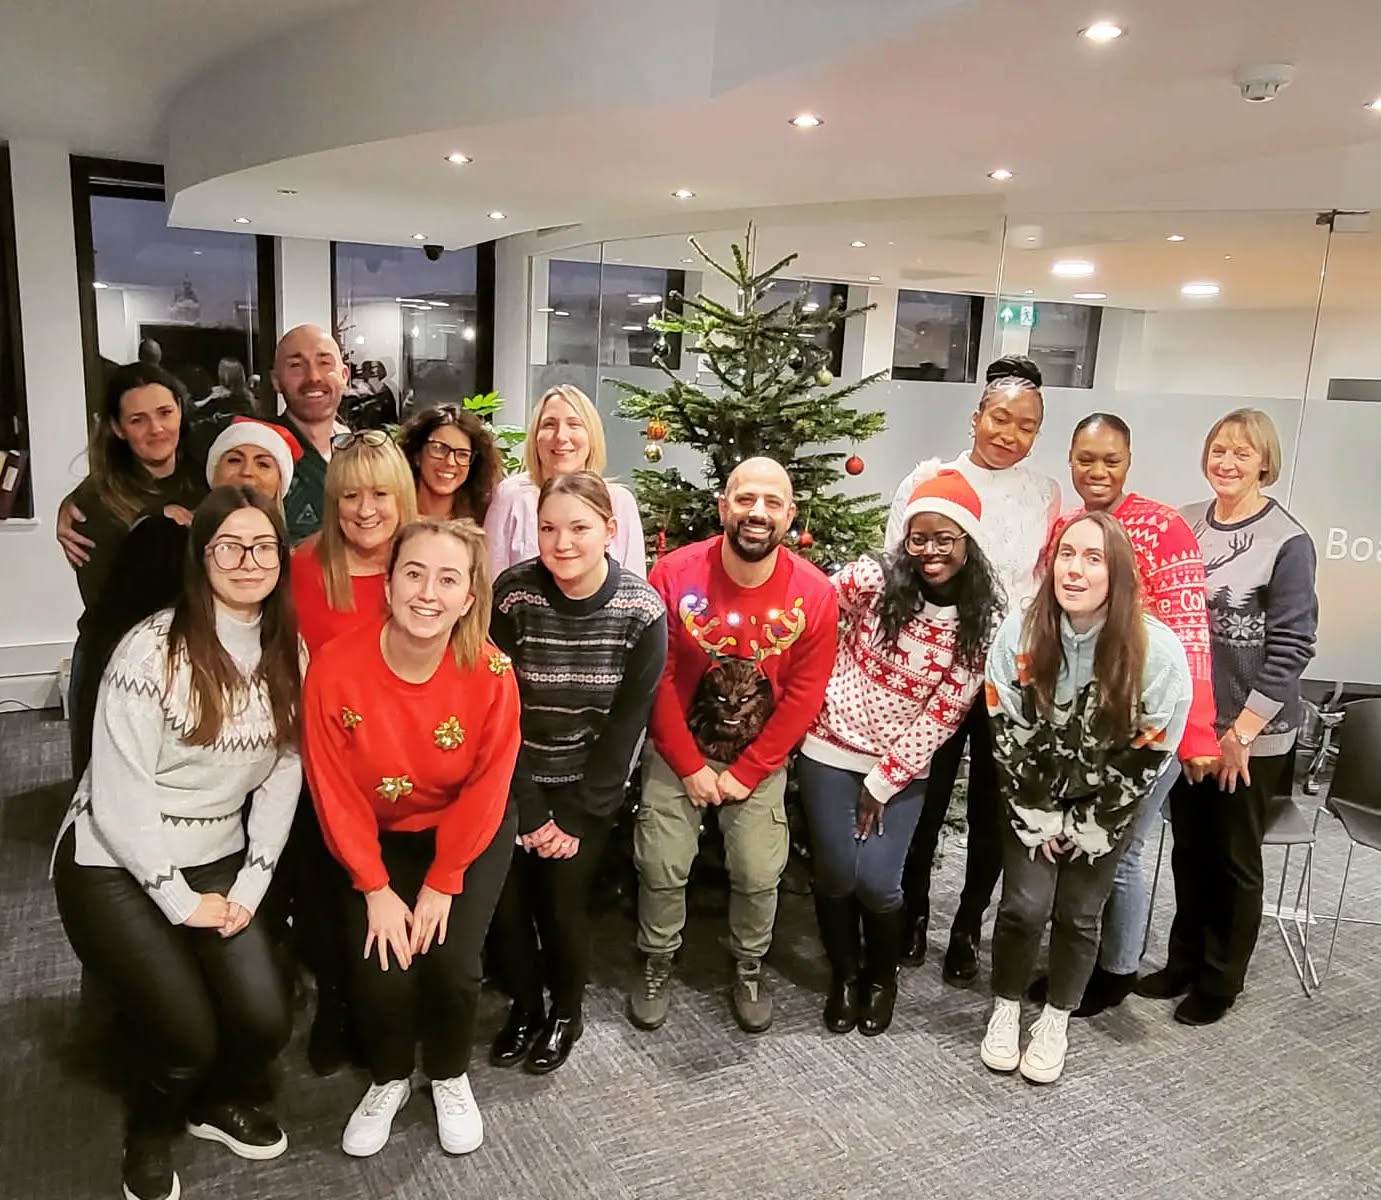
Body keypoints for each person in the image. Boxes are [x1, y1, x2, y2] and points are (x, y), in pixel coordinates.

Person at [52, 486, 303, 1200]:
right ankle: (151, 1128)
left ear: (280, 558)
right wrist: (178, 899)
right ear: (202, 558)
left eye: (262, 546)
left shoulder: (291, 651)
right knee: (185, 1033)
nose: (248, 560)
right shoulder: (149, 649)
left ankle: (211, 1104)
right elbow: (119, 796)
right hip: (110, 858)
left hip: (217, 853)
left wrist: (247, 890)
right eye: (229, 545)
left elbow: (285, 776)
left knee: (263, 1018)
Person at [302, 518, 521, 1158]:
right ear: (390, 585)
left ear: (469, 597)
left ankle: (449, 1076)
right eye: (414, 573)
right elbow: (333, 789)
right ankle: (390, 1077)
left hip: (464, 834)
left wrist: (444, 880)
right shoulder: (336, 669)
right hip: (372, 838)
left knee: (453, 965)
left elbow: (488, 787)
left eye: (448, 579)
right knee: (383, 969)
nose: (429, 593)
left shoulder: (491, 671)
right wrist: (373, 886)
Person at [980, 511, 1191, 1084]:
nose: (1075, 569)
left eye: (1093, 558)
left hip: (1109, 804)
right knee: (1024, 906)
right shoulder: (1019, 632)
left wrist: (1089, 826)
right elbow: (1007, 732)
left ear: (1118, 573)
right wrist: (1040, 817)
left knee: (1078, 913)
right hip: (1033, 793)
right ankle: (1005, 1006)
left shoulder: (1158, 653)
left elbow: (1149, 754)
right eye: (1066, 554)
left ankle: (1056, 1018)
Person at [629, 457, 837, 1033]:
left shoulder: (814, 595)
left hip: (757, 757)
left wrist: (750, 771)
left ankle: (749, 962)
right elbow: (658, 677)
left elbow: (802, 696)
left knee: (756, 867)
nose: (757, 513)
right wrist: (690, 766)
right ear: (724, 507)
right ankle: (658, 956)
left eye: (772, 503)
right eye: (745, 499)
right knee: (663, 860)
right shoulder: (673, 575)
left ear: (790, 516)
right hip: (679, 749)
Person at [1026, 413, 1219, 1017]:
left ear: (1128, 461)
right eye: (1086, 459)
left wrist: (1198, 735)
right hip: (1076, 728)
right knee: (1079, 844)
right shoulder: (1066, 527)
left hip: (1146, 726)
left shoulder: (1163, 528)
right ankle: (1080, 957)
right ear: (1072, 461)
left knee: (1123, 849)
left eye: (1110, 460)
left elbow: (1191, 636)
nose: (1098, 471)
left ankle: (1114, 972)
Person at [799, 470, 1003, 1036]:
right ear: (906, 538)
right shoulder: (875, 578)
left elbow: (946, 712)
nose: (931, 551)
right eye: (920, 538)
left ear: (967, 542)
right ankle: (845, 975)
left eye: (945, 539)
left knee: (879, 882)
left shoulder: (980, 620)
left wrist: (883, 781)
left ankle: (881, 978)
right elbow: (813, 611)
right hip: (830, 745)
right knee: (837, 874)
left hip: (900, 765)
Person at [1137, 409, 1318, 1025]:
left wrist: (1243, 731)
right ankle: (1183, 959)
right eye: (1219, 450)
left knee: (1234, 858)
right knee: (1188, 848)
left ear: (1264, 462)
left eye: (1242, 453)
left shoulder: (1288, 541)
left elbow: (1293, 647)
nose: (1228, 463)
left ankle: (1220, 979)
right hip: (1192, 727)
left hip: (1252, 735)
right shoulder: (1186, 524)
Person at [884, 371, 1062, 984]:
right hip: (936, 666)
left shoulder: (1044, 493)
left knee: (992, 808)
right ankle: (911, 913)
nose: (1010, 434)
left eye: (1027, 425)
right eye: (1000, 418)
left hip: (1009, 675)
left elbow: (1040, 587)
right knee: (923, 799)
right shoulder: (928, 480)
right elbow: (898, 572)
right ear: (976, 416)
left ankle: (966, 927)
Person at [487, 472, 666, 1073]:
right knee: (506, 905)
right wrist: (530, 808)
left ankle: (566, 1010)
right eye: (548, 528)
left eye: (579, 528)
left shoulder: (642, 611)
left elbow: (625, 730)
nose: (562, 543)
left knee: (561, 903)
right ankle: (525, 1007)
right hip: (513, 777)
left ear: (610, 532)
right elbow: (496, 710)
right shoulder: (513, 594)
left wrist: (571, 816)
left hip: (587, 788)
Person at [284, 428, 417, 1073]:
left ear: (404, 498)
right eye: (351, 495)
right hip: (328, 772)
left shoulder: (421, 566)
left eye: (382, 495)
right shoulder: (304, 569)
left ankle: (384, 1011)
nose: (366, 510)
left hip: (414, 770)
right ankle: (335, 1004)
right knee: (324, 903)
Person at [69, 418, 302, 782]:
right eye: (234, 459)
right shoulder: (163, 538)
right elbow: (112, 648)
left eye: (263, 463)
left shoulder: (287, 562)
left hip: (253, 759)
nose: (247, 473)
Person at [57, 323, 351, 565]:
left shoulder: (366, 450)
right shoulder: (240, 436)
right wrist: (84, 495)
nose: (313, 376)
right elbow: (155, 448)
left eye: (324, 362)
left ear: (344, 375)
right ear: (275, 380)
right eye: (296, 365)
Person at [483, 384, 646, 578]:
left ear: (592, 436)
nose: (561, 436)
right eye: (549, 424)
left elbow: (636, 590)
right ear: (535, 436)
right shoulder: (511, 496)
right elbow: (489, 583)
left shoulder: (620, 502)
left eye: (574, 424)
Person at [398, 402, 504, 524]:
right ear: (417, 454)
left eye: (462, 454)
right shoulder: (394, 518)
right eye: (439, 448)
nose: (450, 462)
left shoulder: (486, 520)